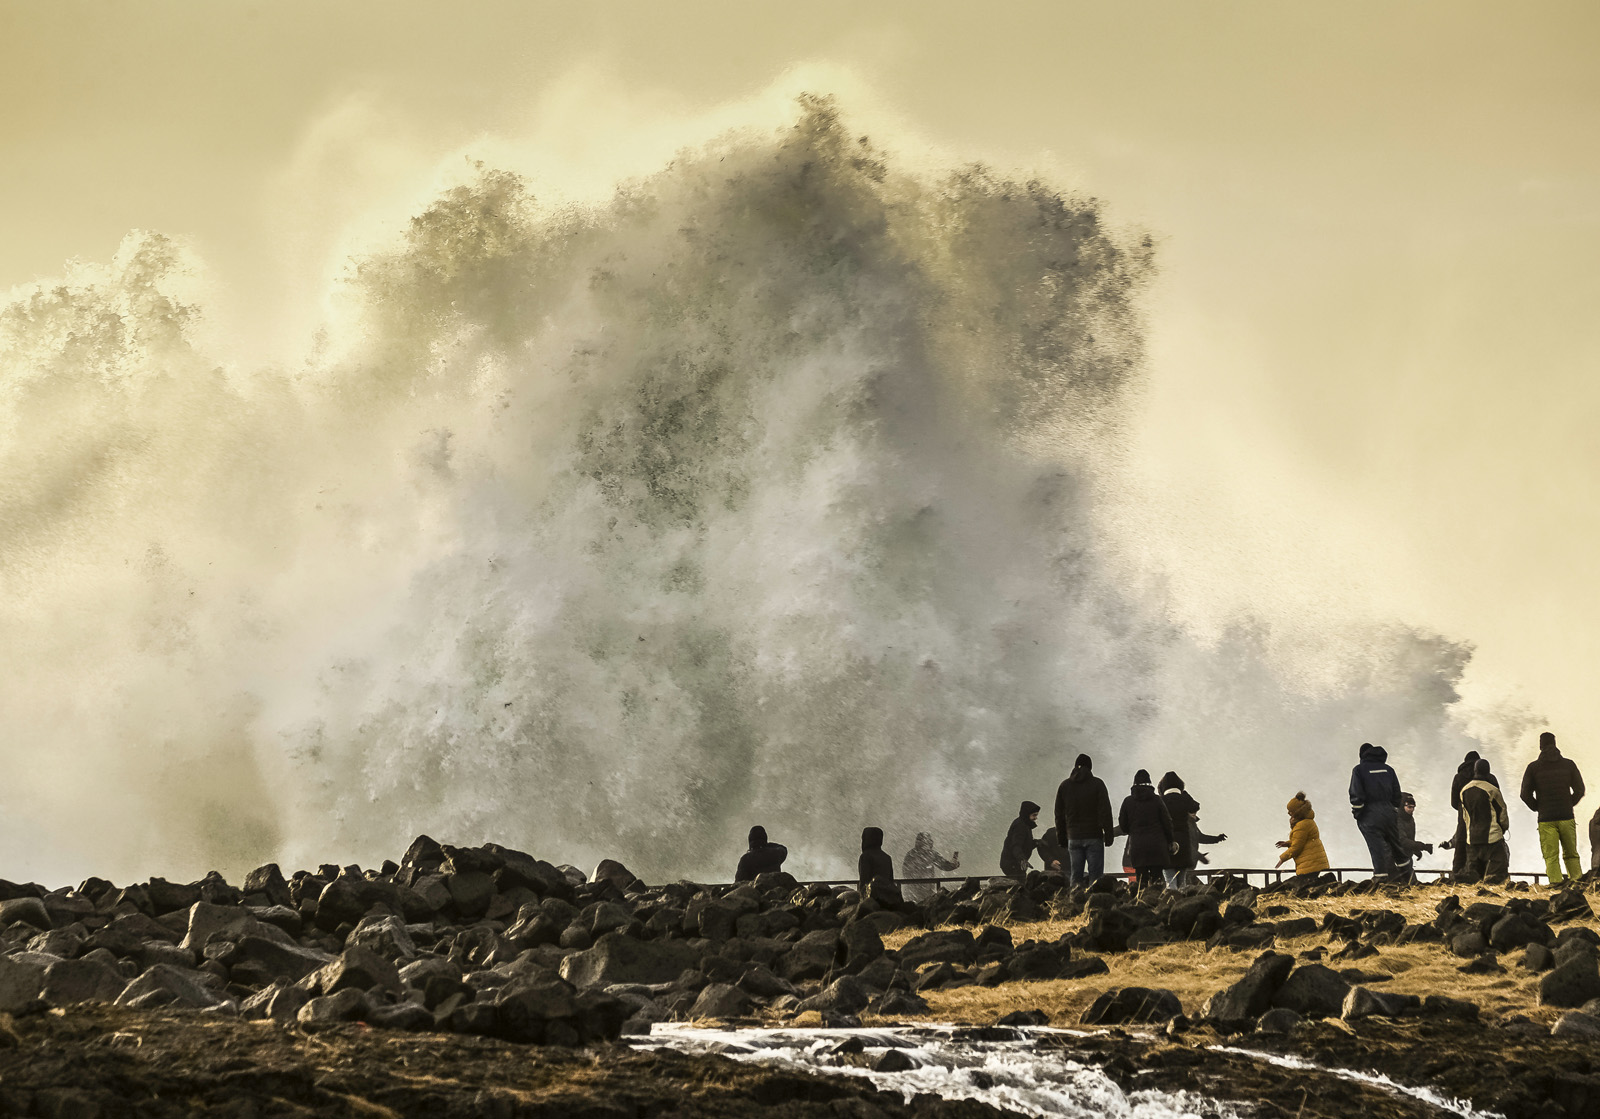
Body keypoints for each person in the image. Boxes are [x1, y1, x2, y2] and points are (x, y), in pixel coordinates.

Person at [1520, 731, 1587, 886]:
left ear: (1540, 746)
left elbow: (1525, 794)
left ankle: (1556, 886)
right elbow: (1580, 790)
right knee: (1571, 854)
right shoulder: (1568, 764)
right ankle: (1577, 884)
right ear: (1555, 744)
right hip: (1566, 817)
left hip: (1546, 819)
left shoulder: (1533, 767)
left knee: (1551, 856)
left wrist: (1538, 807)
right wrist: (1569, 804)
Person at [1054, 753, 1115, 890]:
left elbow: (1059, 815)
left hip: (1074, 838)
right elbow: (1106, 812)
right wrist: (1109, 836)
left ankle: (1075, 905)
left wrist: (1062, 838)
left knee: (1075, 877)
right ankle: (1094, 907)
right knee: (1096, 877)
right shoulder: (1097, 784)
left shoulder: (1064, 786)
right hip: (1094, 836)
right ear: (1090, 768)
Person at [1348, 742, 1407, 880]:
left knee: (1377, 849)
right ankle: (1409, 878)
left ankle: (1381, 879)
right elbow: (1397, 794)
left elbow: (1356, 794)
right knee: (1397, 847)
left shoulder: (1359, 770)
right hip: (1389, 813)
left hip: (1370, 815)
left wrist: (1358, 813)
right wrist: (1393, 809)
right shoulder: (1388, 770)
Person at [1118, 770, 1175, 890]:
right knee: (1157, 880)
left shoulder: (1128, 801)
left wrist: (1132, 831)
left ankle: (1142, 903)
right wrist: (1170, 840)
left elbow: (1123, 824)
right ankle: (1158, 905)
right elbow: (1167, 822)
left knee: (1141, 881)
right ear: (1149, 783)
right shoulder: (1157, 800)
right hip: (1156, 846)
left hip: (1138, 846)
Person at [1460, 759, 1511, 883]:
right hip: (1492, 838)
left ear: (1475, 771)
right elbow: (1502, 813)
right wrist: (1503, 828)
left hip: (1472, 839)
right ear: (1488, 772)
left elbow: (1465, 817)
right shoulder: (1492, 790)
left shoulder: (1464, 791)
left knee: (1474, 877)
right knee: (1496, 876)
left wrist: (1469, 832)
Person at [1275, 792, 1331, 880]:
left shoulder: (1302, 825)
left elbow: (1297, 847)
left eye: (1291, 811)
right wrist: (1288, 843)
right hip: (1312, 861)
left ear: (1297, 812)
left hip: (1309, 863)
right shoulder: (1307, 821)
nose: (1288, 813)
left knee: (1304, 886)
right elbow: (1302, 840)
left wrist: (1282, 858)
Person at [901, 833, 959, 902]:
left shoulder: (910, 854)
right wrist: (954, 864)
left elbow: (906, 873)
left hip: (913, 892)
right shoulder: (931, 854)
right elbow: (945, 866)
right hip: (924, 891)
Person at [999, 801, 1042, 879]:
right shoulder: (1020, 826)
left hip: (1015, 863)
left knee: (1020, 883)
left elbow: (1025, 845)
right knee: (1019, 885)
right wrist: (1022, 859)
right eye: (1034, 815)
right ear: (1027, 814)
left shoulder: (1025, 824)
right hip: (1012, 863)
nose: (1036, 818)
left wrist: (1036, 842)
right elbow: (1016, 845)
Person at [1395, 792, 1434, 878]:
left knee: (1411, 883)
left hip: (1406, 857)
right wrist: (1422, 846)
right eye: (1409, 807)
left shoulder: (1410, 819)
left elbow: (1409, 839)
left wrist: (1415, 850)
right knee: (1407, 883)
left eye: (1413, 807)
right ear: (1402, 806)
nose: (1411, 810)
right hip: (1397, 859)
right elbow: (1402, 841)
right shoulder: (1397, 819)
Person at [858, 827, 895, 899]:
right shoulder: (887, 857)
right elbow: (891, 881)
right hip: (887, 897)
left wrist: (862, 898)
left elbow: (864, 881)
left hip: (873, 898)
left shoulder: (865, 856)